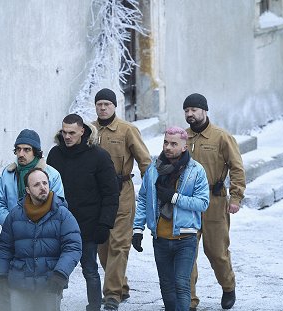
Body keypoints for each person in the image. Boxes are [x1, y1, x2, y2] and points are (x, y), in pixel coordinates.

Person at [132, 126, 209, 311]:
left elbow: (203, 203)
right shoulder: (153, 169)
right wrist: (137, 229)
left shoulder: (196, 170)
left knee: (182, 284)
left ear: (184, 147)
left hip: (186, 238)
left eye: (174, 144)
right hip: (160, 237)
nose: (168, 147)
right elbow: (143, 198)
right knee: (166, 286)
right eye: (166, 142)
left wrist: (174, 198)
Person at [47, 113, 119, 311]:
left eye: (71, 132)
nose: (67, 136)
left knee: (90, 269)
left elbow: (111, 193)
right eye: (64, 132)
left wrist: (105, 223)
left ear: (82, 131)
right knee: (57, 271)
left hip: (88, 225)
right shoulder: (55, 154)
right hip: (59, 225)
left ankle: (94, 307)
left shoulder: (99, 156)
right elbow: (48, 189)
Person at [182, 93, 246, 310]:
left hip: (214, 202)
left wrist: (235, 197)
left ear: (204, 110)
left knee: (217, 251)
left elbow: (237, 168)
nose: (190, 114)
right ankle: (188, 299)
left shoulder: (221, 137)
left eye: (194, 110)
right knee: (186, 251)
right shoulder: (183, 137)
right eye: (187, 110)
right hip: (187, 202)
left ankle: (228, 286)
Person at [92, 88, 152, 310]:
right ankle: (121, 286)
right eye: (99, 104)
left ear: (115, 106)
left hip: (122, 193)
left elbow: (145, 161)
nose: (103, 107)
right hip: (97, 196)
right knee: (103, 246)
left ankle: (112, 295)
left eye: (107, 104)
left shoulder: (127, 130)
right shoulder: (89, 130)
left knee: (119, 244)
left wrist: (150, 190)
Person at [0, 168, 82, 311]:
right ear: (27, 190)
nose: (42, 188)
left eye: (45, 183)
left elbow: (73, 247)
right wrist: (1, 277)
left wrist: (60, 273)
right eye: (36, 185)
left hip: (50, 283)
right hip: (19, 283)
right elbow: (5, 248)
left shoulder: (62, 214)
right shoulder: (15, 215)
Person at [0, 129, 65, 225]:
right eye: (18, 149)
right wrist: (11, 224)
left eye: (27, 149)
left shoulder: (52, 175)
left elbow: (58, 206)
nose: (21, 154)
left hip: (42, 233)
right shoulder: (8, 173)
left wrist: (38, 228)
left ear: (36, 152)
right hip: (15, 232)